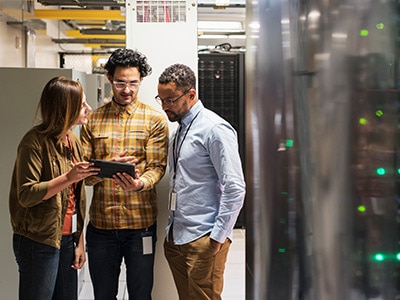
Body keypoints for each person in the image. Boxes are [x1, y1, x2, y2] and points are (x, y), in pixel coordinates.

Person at [80, 48, 169, 300]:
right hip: (102, 226)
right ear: (109, 78)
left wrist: (139, 183)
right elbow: (84, 174)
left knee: (141, 294)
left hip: (141, 227)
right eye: (120, 82)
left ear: (140, 81)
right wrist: (106, 167)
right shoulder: (93, 120)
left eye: (133, 83)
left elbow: (157, 168)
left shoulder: (154, 120)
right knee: (103, 295)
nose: (127, 90)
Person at [156, 63, 246, 300]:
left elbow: (235, 187)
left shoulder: (214, 129)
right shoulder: (181, 130)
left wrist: (217, 238)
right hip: (177, 235)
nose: (165, 106)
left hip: (203, 237)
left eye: (171, 100)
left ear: (191, 95)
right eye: (161, 99)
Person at [9, 76, 98, 300]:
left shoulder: (72, 141)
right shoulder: (33, 142)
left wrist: (79, 242)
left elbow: (75, 200)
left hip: (68, 238)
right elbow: (27, 195)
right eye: (82, 104)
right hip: (38, 241)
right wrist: (68, 177)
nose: (89, 108)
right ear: (65, 108)